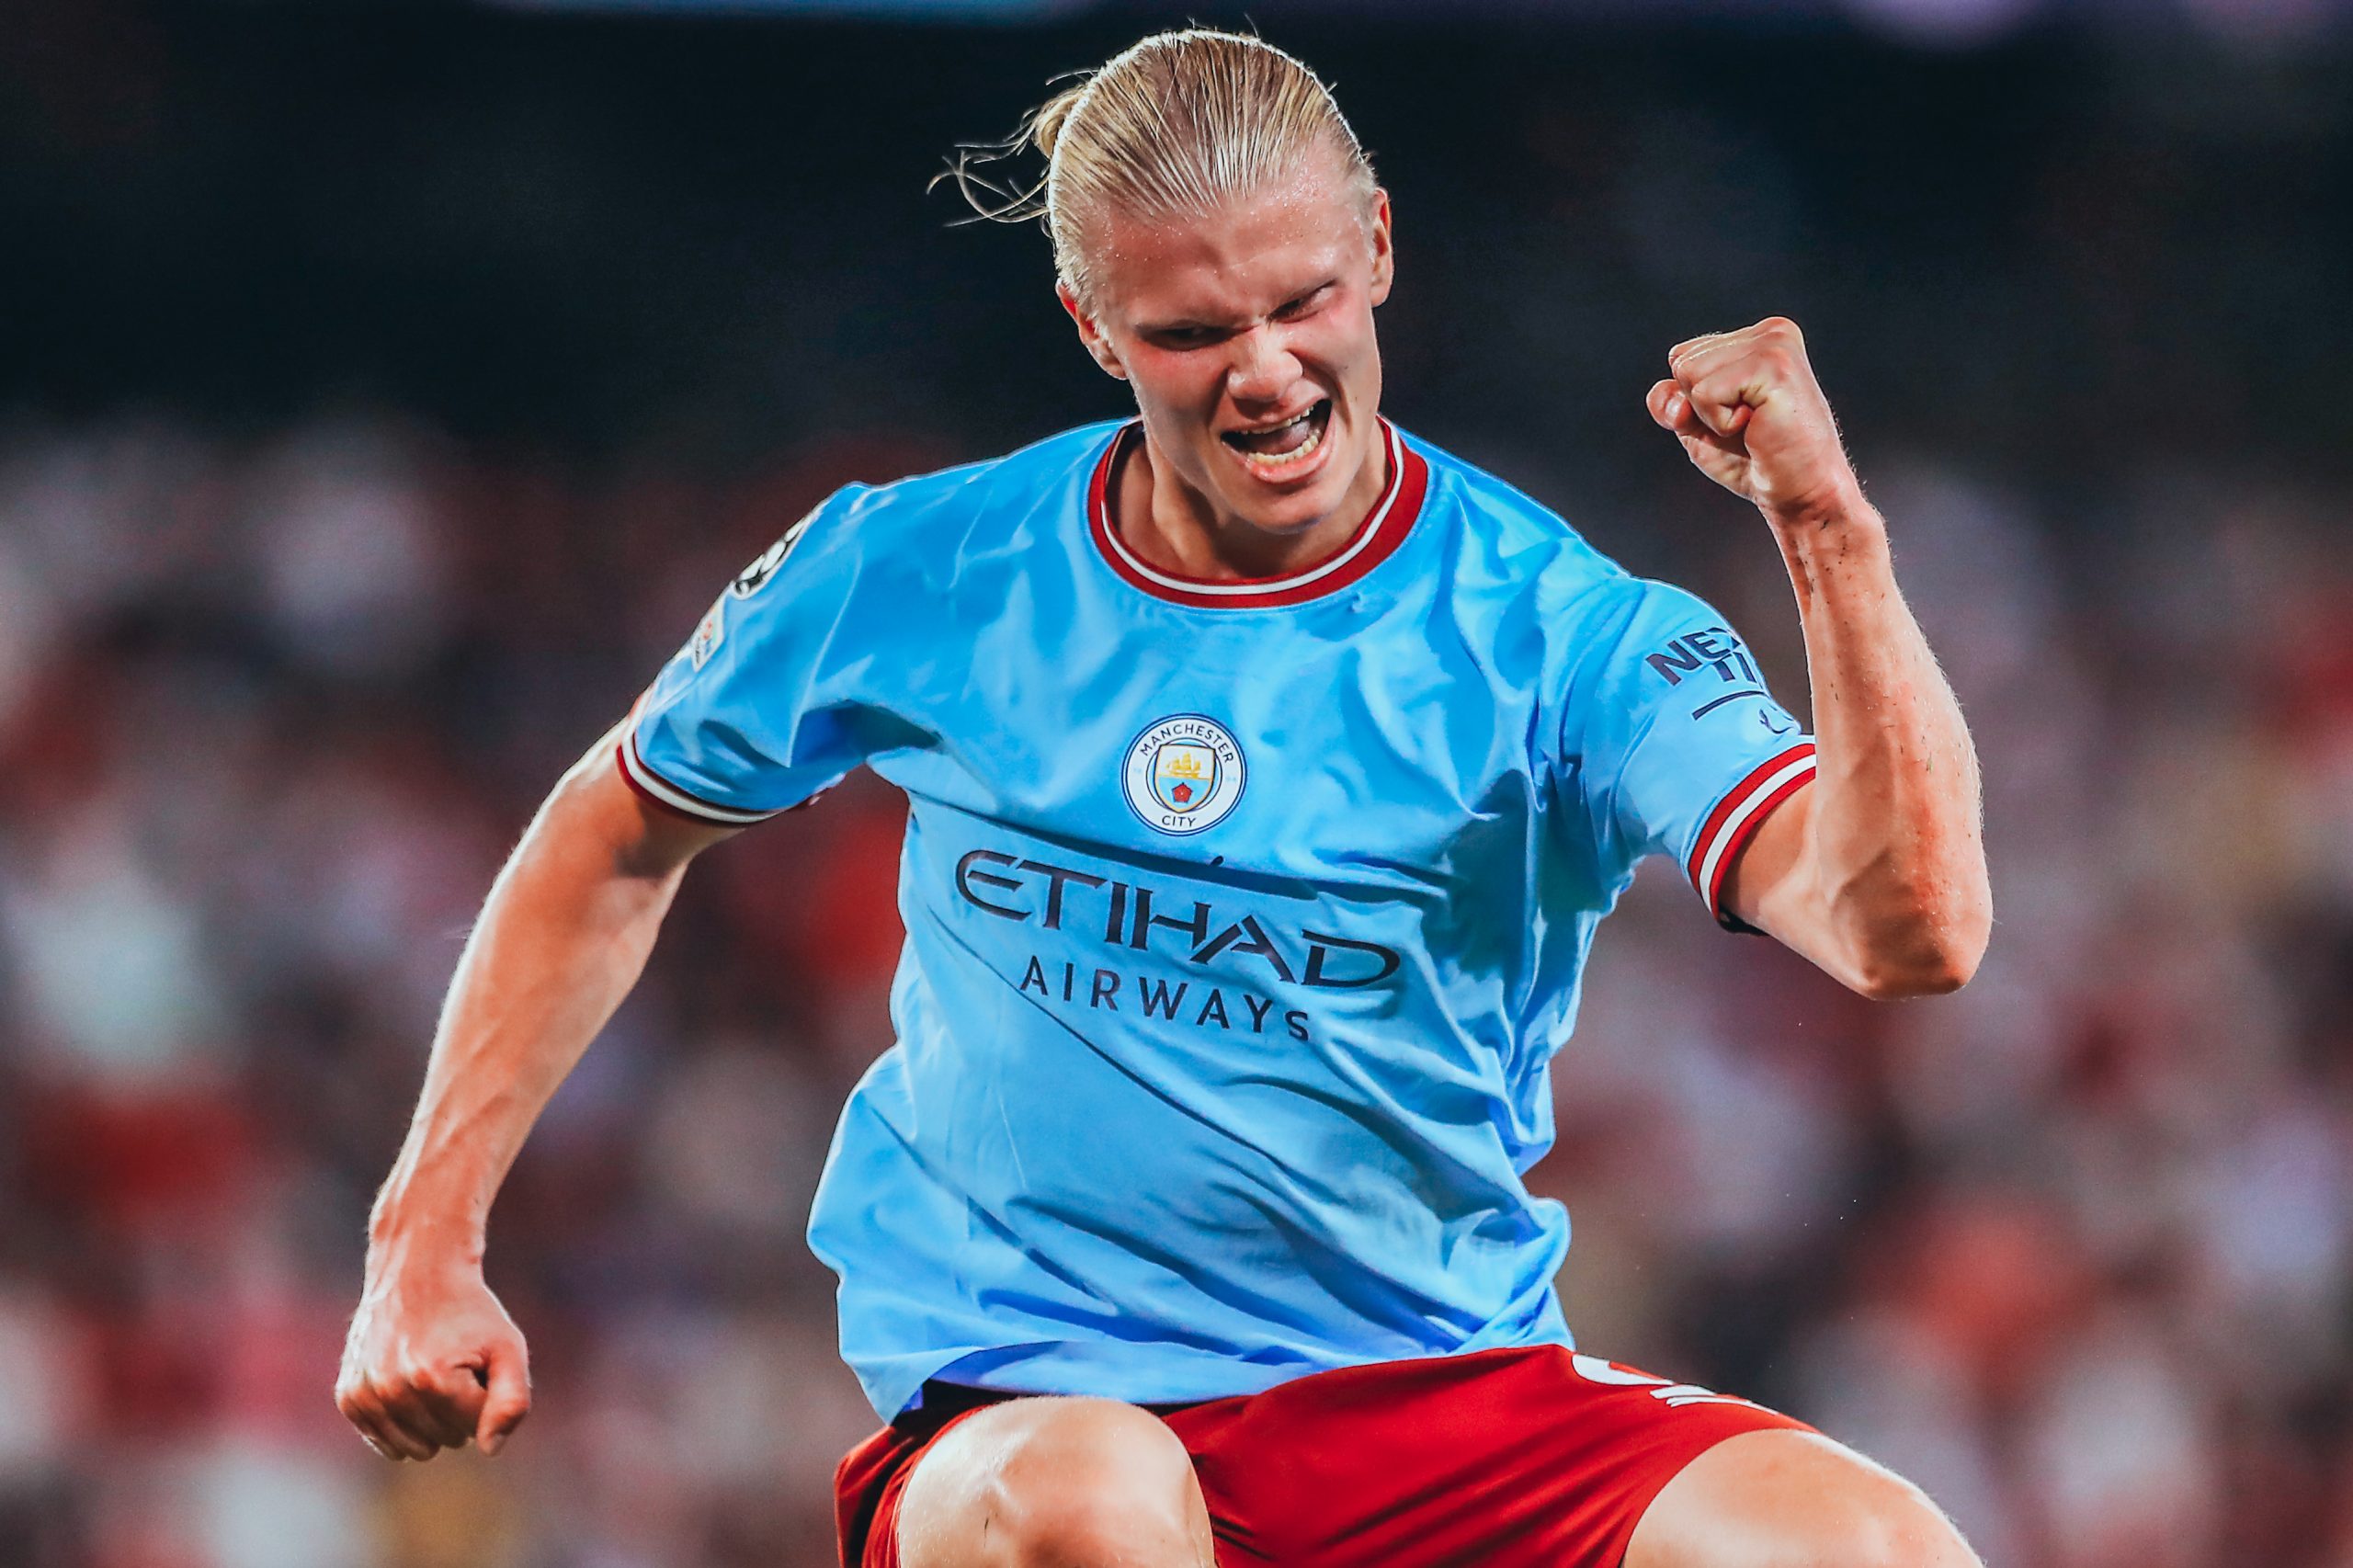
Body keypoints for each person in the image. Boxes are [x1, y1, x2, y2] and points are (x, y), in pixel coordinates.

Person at [336, 28, 1991, 1568]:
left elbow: (1904, 932)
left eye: (1302, 303)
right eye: (1192, 334)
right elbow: (619, 825)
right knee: (1099, 1500)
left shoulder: (1563, 632)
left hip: (1443, 1396)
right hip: (1032, 1405)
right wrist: (425, 1240)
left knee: (1869, 1546)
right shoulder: (925, 564)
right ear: (1091, 324)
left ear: (1381, 251)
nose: (1264, 372)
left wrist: (1830, 535)